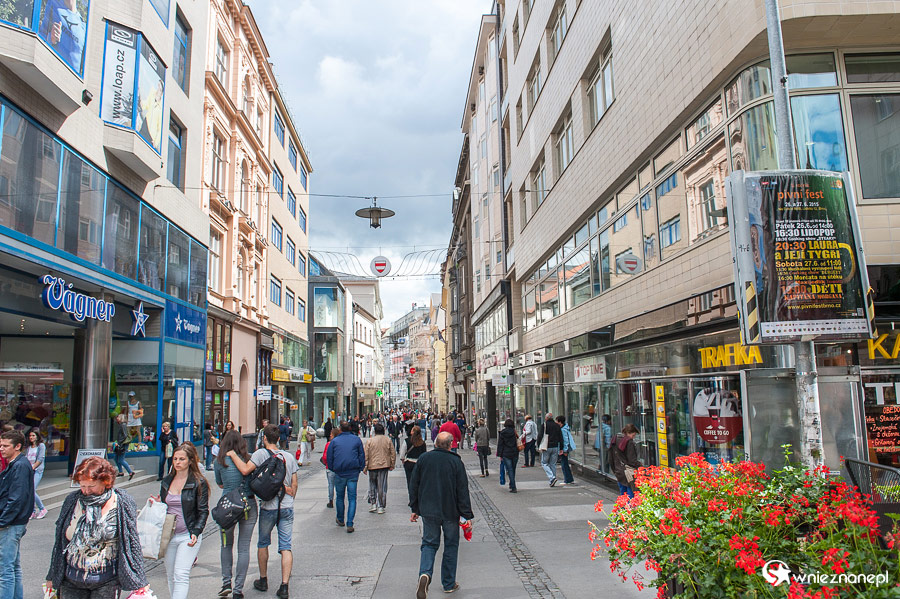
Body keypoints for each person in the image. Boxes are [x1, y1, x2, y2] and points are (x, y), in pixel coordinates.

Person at [46, 456, 148, 599]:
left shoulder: (122, 501)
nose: (86, 491)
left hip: (106, 579)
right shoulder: (72, 500)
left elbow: (132, 540)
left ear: (105, 482)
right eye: (82, 486)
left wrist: (140, 579)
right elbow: (59, 541)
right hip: (71, 578)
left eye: (91, 486)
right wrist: (52, 575)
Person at [229, 424, 298, 598]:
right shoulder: (288, 457)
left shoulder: (260, 454)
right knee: (286, 546)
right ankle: (284, 585)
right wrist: (287, 492)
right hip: (287, 506)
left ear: (265, 438)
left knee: (263, 543)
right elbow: (294, 486)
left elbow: (245, 470)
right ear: (279, 438)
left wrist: (231, 454)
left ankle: (263, 579)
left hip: (269, 506)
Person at [410, 432, 474, 597]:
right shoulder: (455, 462)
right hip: (450, 510)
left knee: (429, 544)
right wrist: (466, 515)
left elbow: (414, 484)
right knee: (451, 545)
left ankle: (425, 573)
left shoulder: (424, 459)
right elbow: (462, 490)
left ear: (436, 443)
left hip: (429, 509)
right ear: (451, 444)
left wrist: (415, 508)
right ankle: (448, 582)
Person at [157, 443, 209, 599]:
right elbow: (163, 506)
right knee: (171, 574)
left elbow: (203, 511)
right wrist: (156, 503)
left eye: (181, 459)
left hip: (188, 534)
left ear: (190, 461)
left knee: (181, 574)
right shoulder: (166, 481)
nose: (177, 462)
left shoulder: (198, 482)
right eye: (175, 459)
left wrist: (196, 531)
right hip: (169, 535)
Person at [215, 430, 258, 599]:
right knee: (244, 547)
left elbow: (219, 483)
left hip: (227, 507)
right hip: (248, 504)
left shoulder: (219, 461)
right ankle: (238, 589)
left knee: (226, 544)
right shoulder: (249, 458)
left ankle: (226, 582)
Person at [0, 430, 34, 599]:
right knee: (12, 566)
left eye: (5, 445)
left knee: (5, 569)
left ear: (18, 446)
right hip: (14, 522)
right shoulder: (17, 464)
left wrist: (2, 521)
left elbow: (16, 499)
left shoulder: (19, 465)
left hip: (11, 523)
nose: (1, 448)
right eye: (1, 445)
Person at [327, 420, 366, 533]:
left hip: (340, 472)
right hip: (353, 472)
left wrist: (333, 468)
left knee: (340, 496)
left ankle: (340, 518)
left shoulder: (335, 441)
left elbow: (330, 457)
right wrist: (360, 467)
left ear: (340, 429)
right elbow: (361, 455)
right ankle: (350, 522)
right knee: (352, 498)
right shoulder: (356, 439)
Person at [364, 423, 396, 514]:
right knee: (382, 485)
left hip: (372, 465)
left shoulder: (370, 441)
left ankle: (373, 503)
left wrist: (365, 467)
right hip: (384, 465)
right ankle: (381, 505)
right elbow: (392, 453)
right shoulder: (388, 440)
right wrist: (392, 464)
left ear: (375, 431)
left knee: (372, 484)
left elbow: (366, 454)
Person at [610, 424, 641, 498]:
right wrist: (641, 465)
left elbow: (610, 457)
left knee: (623, 495)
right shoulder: (629, 442)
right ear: (629, 433)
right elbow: (632, 461)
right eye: (633, 435)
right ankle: (629, 509)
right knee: (631, 494)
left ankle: (623, 508)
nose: (633, 437)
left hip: (618, 471)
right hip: (628, 473)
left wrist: (614, 470)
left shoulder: (615, 439)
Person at [400, 425, 427, 502]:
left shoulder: (407, 441)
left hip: (409, 463)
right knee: (418, 481)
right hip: (419, 464)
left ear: (412, 432)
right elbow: (424, 454)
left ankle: (412, 499)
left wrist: (403, 460)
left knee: (410, 481)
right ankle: (418, 497)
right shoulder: (422, 443)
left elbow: (402, 453)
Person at [536, 413, 563, 487]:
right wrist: (561, 448)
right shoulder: (557, 425)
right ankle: (553, 479)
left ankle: (552, 478)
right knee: (553, 464)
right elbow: (561, 437)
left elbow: (540, 435)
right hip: (555, 446)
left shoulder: (544, 425)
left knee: (544, 463)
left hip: (546, 446)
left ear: (546, 418)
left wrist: (538, 445)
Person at [26, 428, 48, 519]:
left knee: (32, 490)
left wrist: (33, 467)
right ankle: (32, 511)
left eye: (33, 435)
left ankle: (42, 509)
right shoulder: (29, 447)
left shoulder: (41, 446)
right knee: (29, 490)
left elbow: (40, 459)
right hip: (29, 470)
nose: (31, 437)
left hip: (37, 470)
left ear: (37, 436)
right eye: (30, 436)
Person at [496, 419, 519, 493]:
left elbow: (500, 444)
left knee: (509, 470)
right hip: (514, 452)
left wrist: (500, 454)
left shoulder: (502, 433)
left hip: (506, 453)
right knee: (513, 469)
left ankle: (513, 486)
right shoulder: (514, 432)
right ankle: (512, 484)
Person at [112, 413, 134, 480]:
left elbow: (125, 435)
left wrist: (119, 443)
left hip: (122, 445)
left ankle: (130, 472)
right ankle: (121, 472)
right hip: (121, 444)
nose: (117, 418)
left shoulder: (123, 425)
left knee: (121, 459)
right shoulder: (121, 425)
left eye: (118, 417)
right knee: (116, 458)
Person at [557, 415, 577, 485]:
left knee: (564, 464)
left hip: (564, 449)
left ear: (560, 422)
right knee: (564, 464)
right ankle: (569, 479)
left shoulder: (563, 430)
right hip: (565, 448)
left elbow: (565, 440)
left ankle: (568, 479)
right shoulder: (565, 428)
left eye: (557, 421)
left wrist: (565, 450)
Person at [322, 429, 338, 508]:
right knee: (338, 485)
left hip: (330, 467)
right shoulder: (339, 444)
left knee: (331, 484)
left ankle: (331, 500)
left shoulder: (328, 444)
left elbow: (325, 457)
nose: (330, 435)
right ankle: (339, 499)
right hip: (338, 467)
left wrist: (326, 463)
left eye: (331, 434)